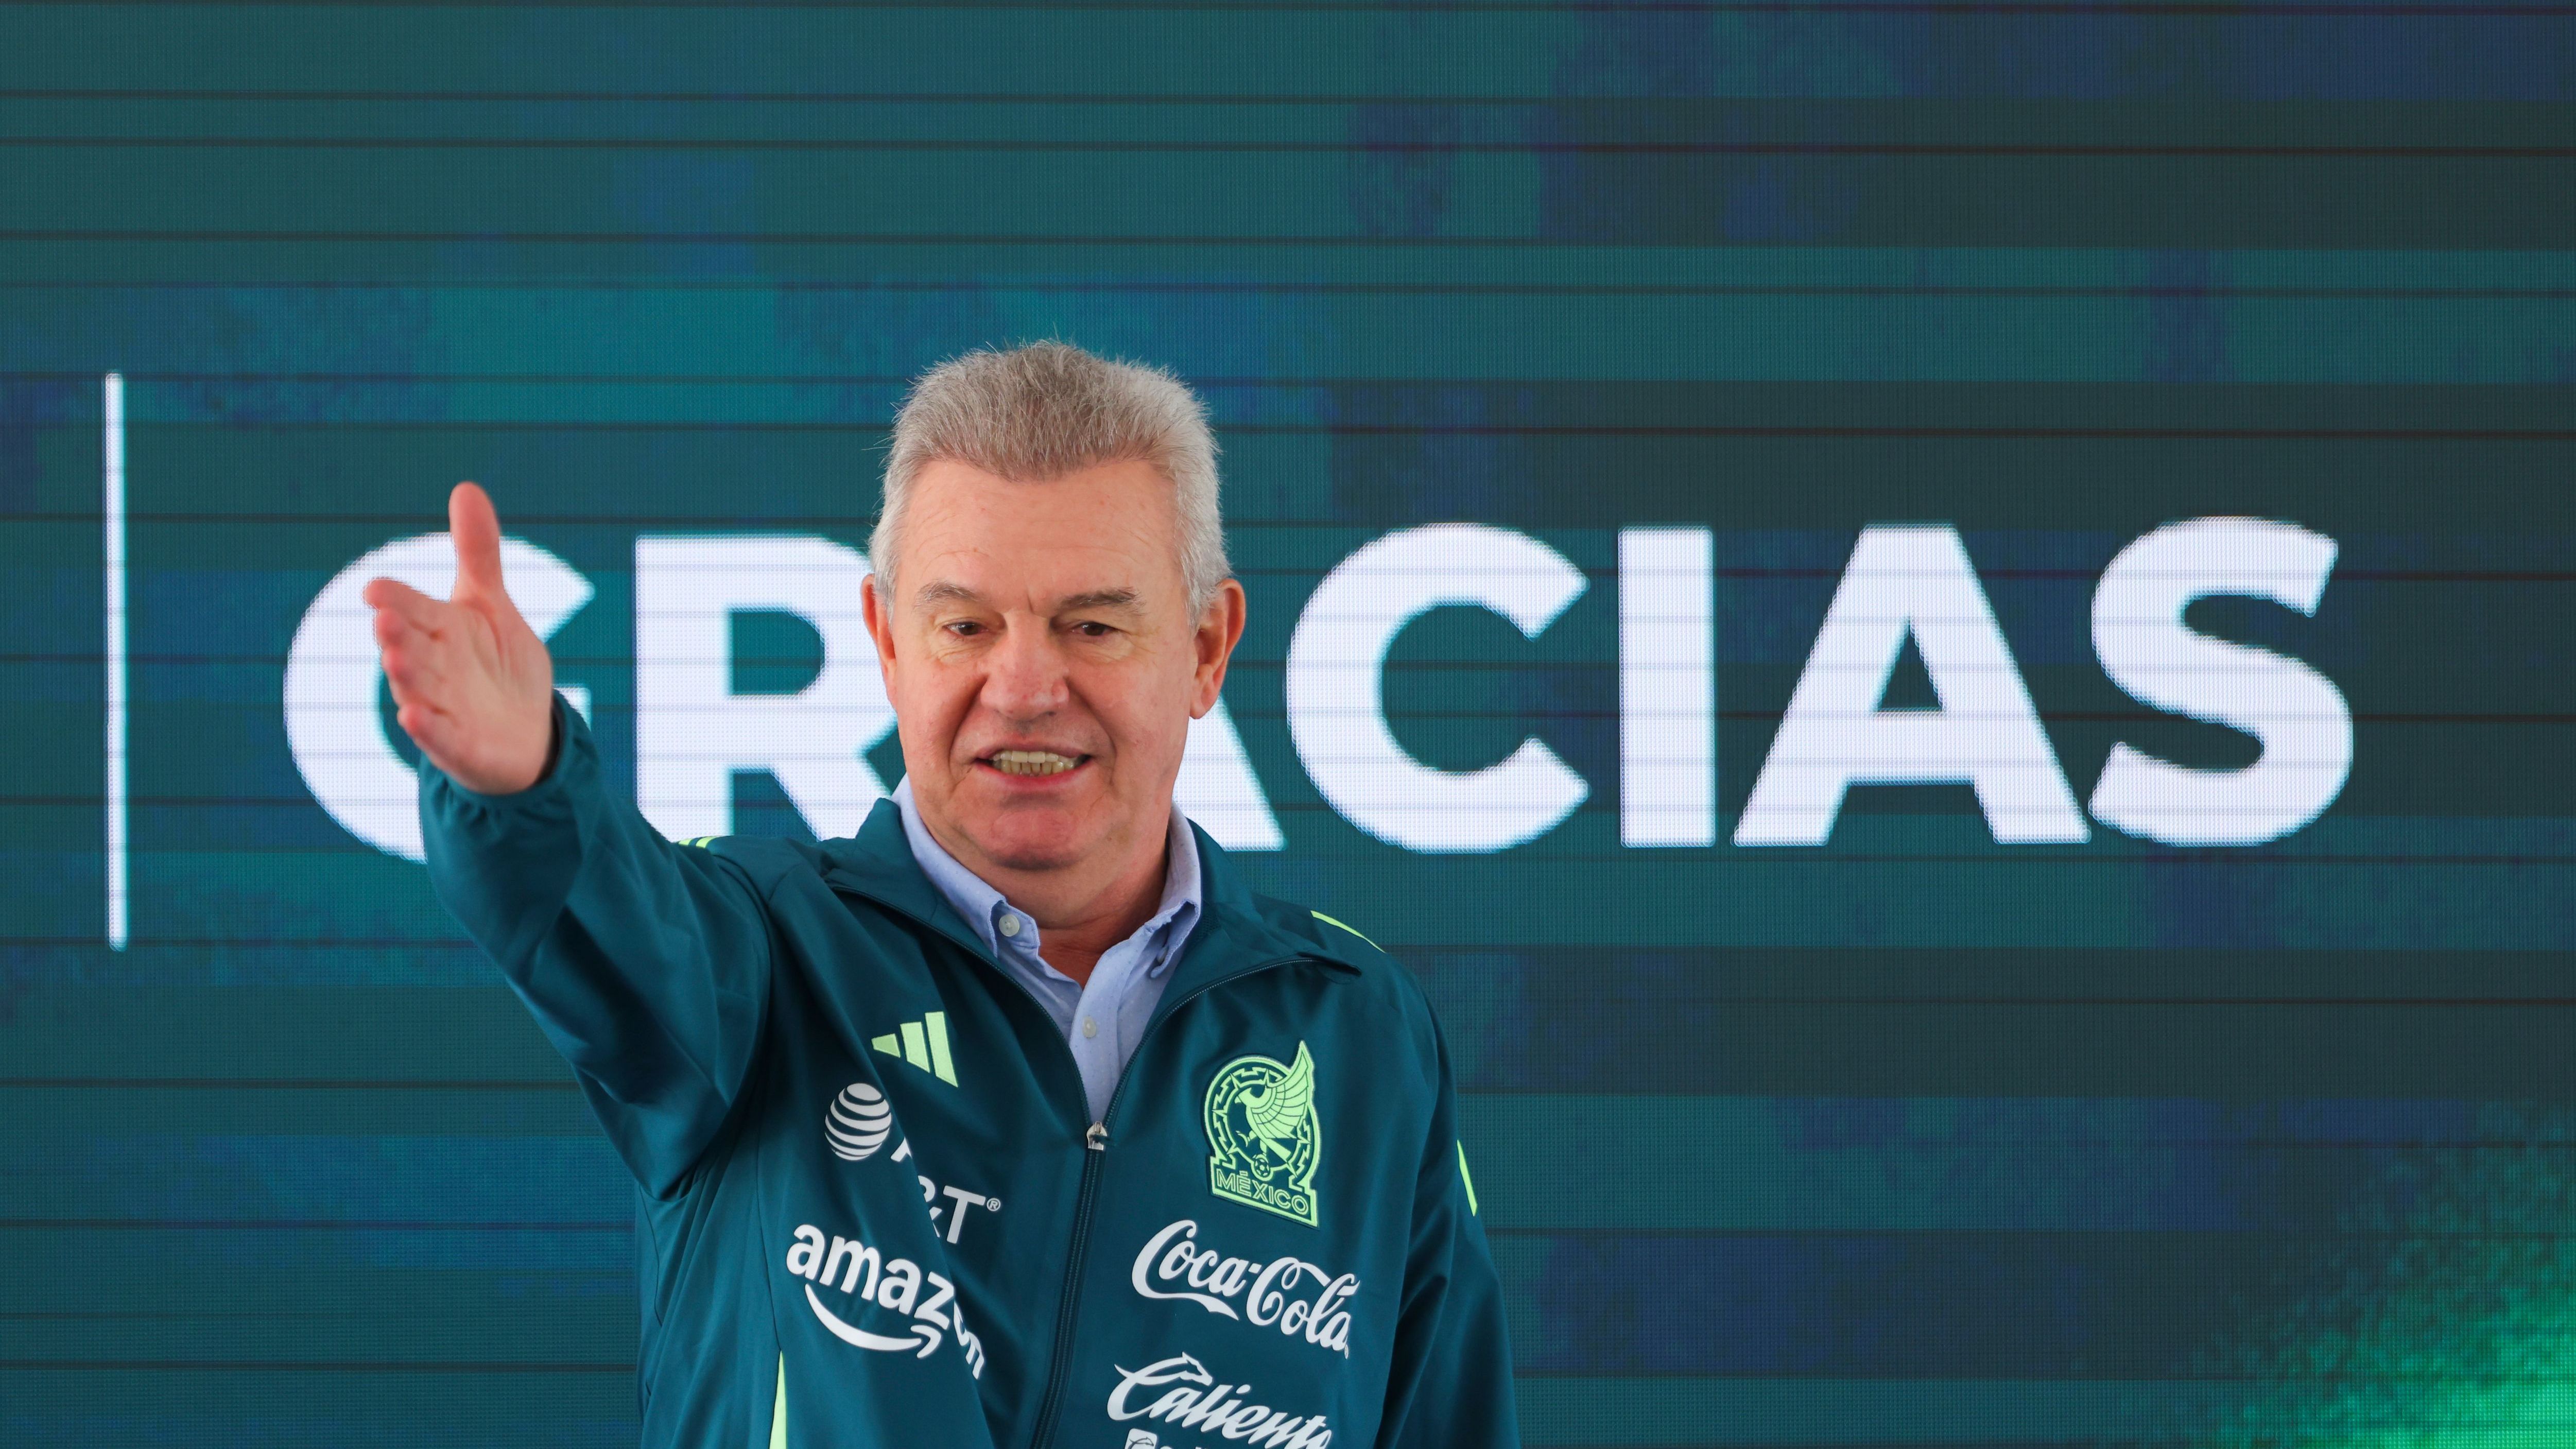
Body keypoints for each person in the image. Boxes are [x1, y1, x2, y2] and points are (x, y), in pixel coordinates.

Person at [365, 342, 1518, 1448]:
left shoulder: (1359, 1024)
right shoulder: (765, 954)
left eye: (1093, 625)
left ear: (1208, 648)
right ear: (886, 641)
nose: (1022, 687)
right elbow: (596, 909)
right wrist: (522, 784)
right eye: (965, 625)